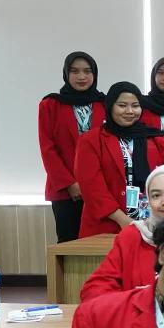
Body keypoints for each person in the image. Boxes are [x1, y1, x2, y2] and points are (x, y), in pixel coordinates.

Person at [81, 165, 164, 303]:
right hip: (138, 319)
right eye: (156, 195)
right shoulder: (133, 236)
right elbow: (94, 289)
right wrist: (135, 303)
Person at [74, 81, 164, 237]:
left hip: (150, 224)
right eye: (122, 105)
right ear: (110, 106)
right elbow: (91, 186)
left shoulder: (157, 139)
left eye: (135, 105)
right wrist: (122, 219)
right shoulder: (91, 140)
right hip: (106, 225)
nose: (130, 111)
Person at [39, 51, 105, 242]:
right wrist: (70, 184)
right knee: (69, 244)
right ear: (66, 74)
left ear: (95, 74)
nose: (81, 76)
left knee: (100, 245)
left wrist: (91, 185)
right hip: (65, 191)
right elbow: (47, 149)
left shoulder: (106, 103)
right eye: (75, 71)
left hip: (100, 190)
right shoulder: (50, 104)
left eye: (87, 71)